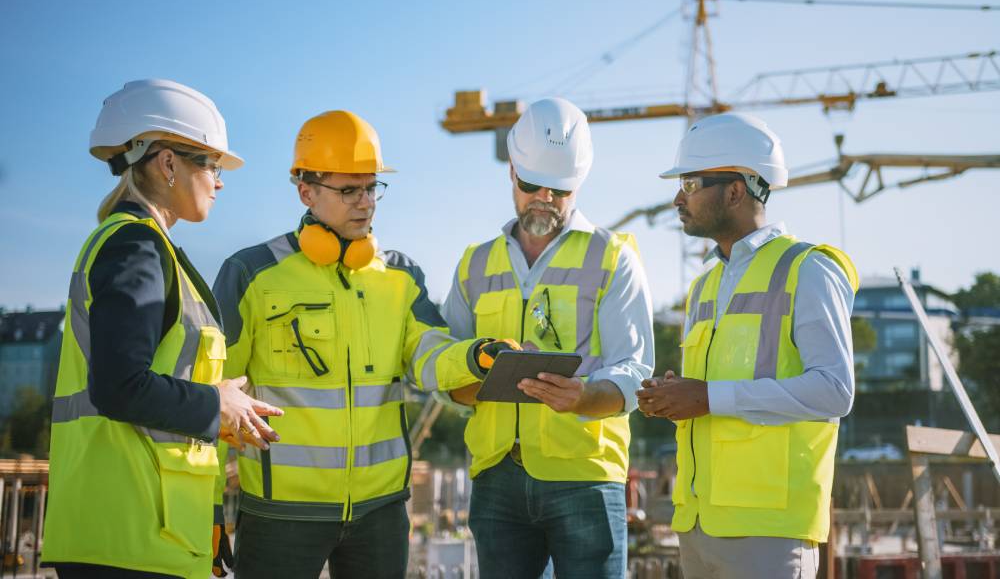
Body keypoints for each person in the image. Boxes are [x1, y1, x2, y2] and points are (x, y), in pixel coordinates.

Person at [211, 110, 504, 579]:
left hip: (380, 514)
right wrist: (208, 508)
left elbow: (429, 353)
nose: (365, 203)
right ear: (305, 190)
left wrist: (478, 355)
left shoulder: (401, 277)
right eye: (348, 190)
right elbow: (215, 394)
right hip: (280, 513)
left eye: (371, 188)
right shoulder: (252, 274)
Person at [41, 79, 283, 579]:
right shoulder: (136, 247)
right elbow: (118, 387)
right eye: (211, 165)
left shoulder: (144, 247)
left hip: (146, 534)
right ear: (168, 163)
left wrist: (209, 526)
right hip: (128, 537)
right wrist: (217, 403)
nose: (219, 181)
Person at [637, 112, 859, 579]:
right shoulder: (704, 286)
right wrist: (674, 394)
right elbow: (708, 391)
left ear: (736, 191)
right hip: (699, 523)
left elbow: (834, 390)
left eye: (691, 183)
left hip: (769, 531)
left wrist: (707, 397)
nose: (678, 198)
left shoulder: (808, 269)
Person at [443, 97, 655, 578]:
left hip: (584, 477)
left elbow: (634, 369)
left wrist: (585, 396)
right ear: (511, 172)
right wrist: (472, 368)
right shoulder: (475, 263)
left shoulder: (612, 257)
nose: (543, 199)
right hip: (497, 476)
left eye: (558, 190)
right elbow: (443, 357)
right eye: (530, 185)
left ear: (578, 183)